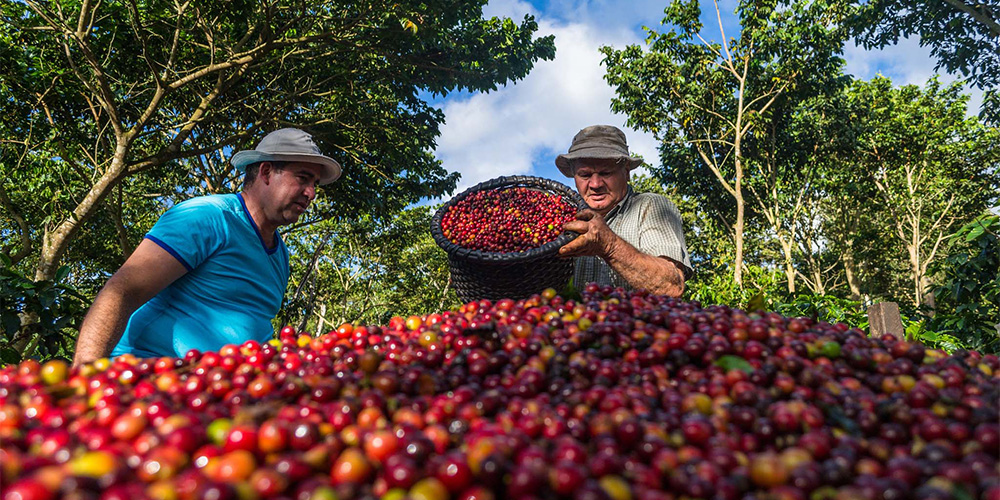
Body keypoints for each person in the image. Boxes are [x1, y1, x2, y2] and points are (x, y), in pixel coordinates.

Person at [72, 128, 342, 365]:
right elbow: (123, 290)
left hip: (219, 395)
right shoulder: (207, 217)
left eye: (315, 184)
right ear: (267, 172)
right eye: (303, 178)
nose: (311, 193)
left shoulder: (280, 256)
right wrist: (86, 375)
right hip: (150, 382)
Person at [556, 125, 693, 297]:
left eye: (606, 173)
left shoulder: (649, 206)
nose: (595, 184)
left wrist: (609, 245)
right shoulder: (562, 219)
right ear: (574, 177)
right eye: (585, 175)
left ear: (626, 172)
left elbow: (671, 287)